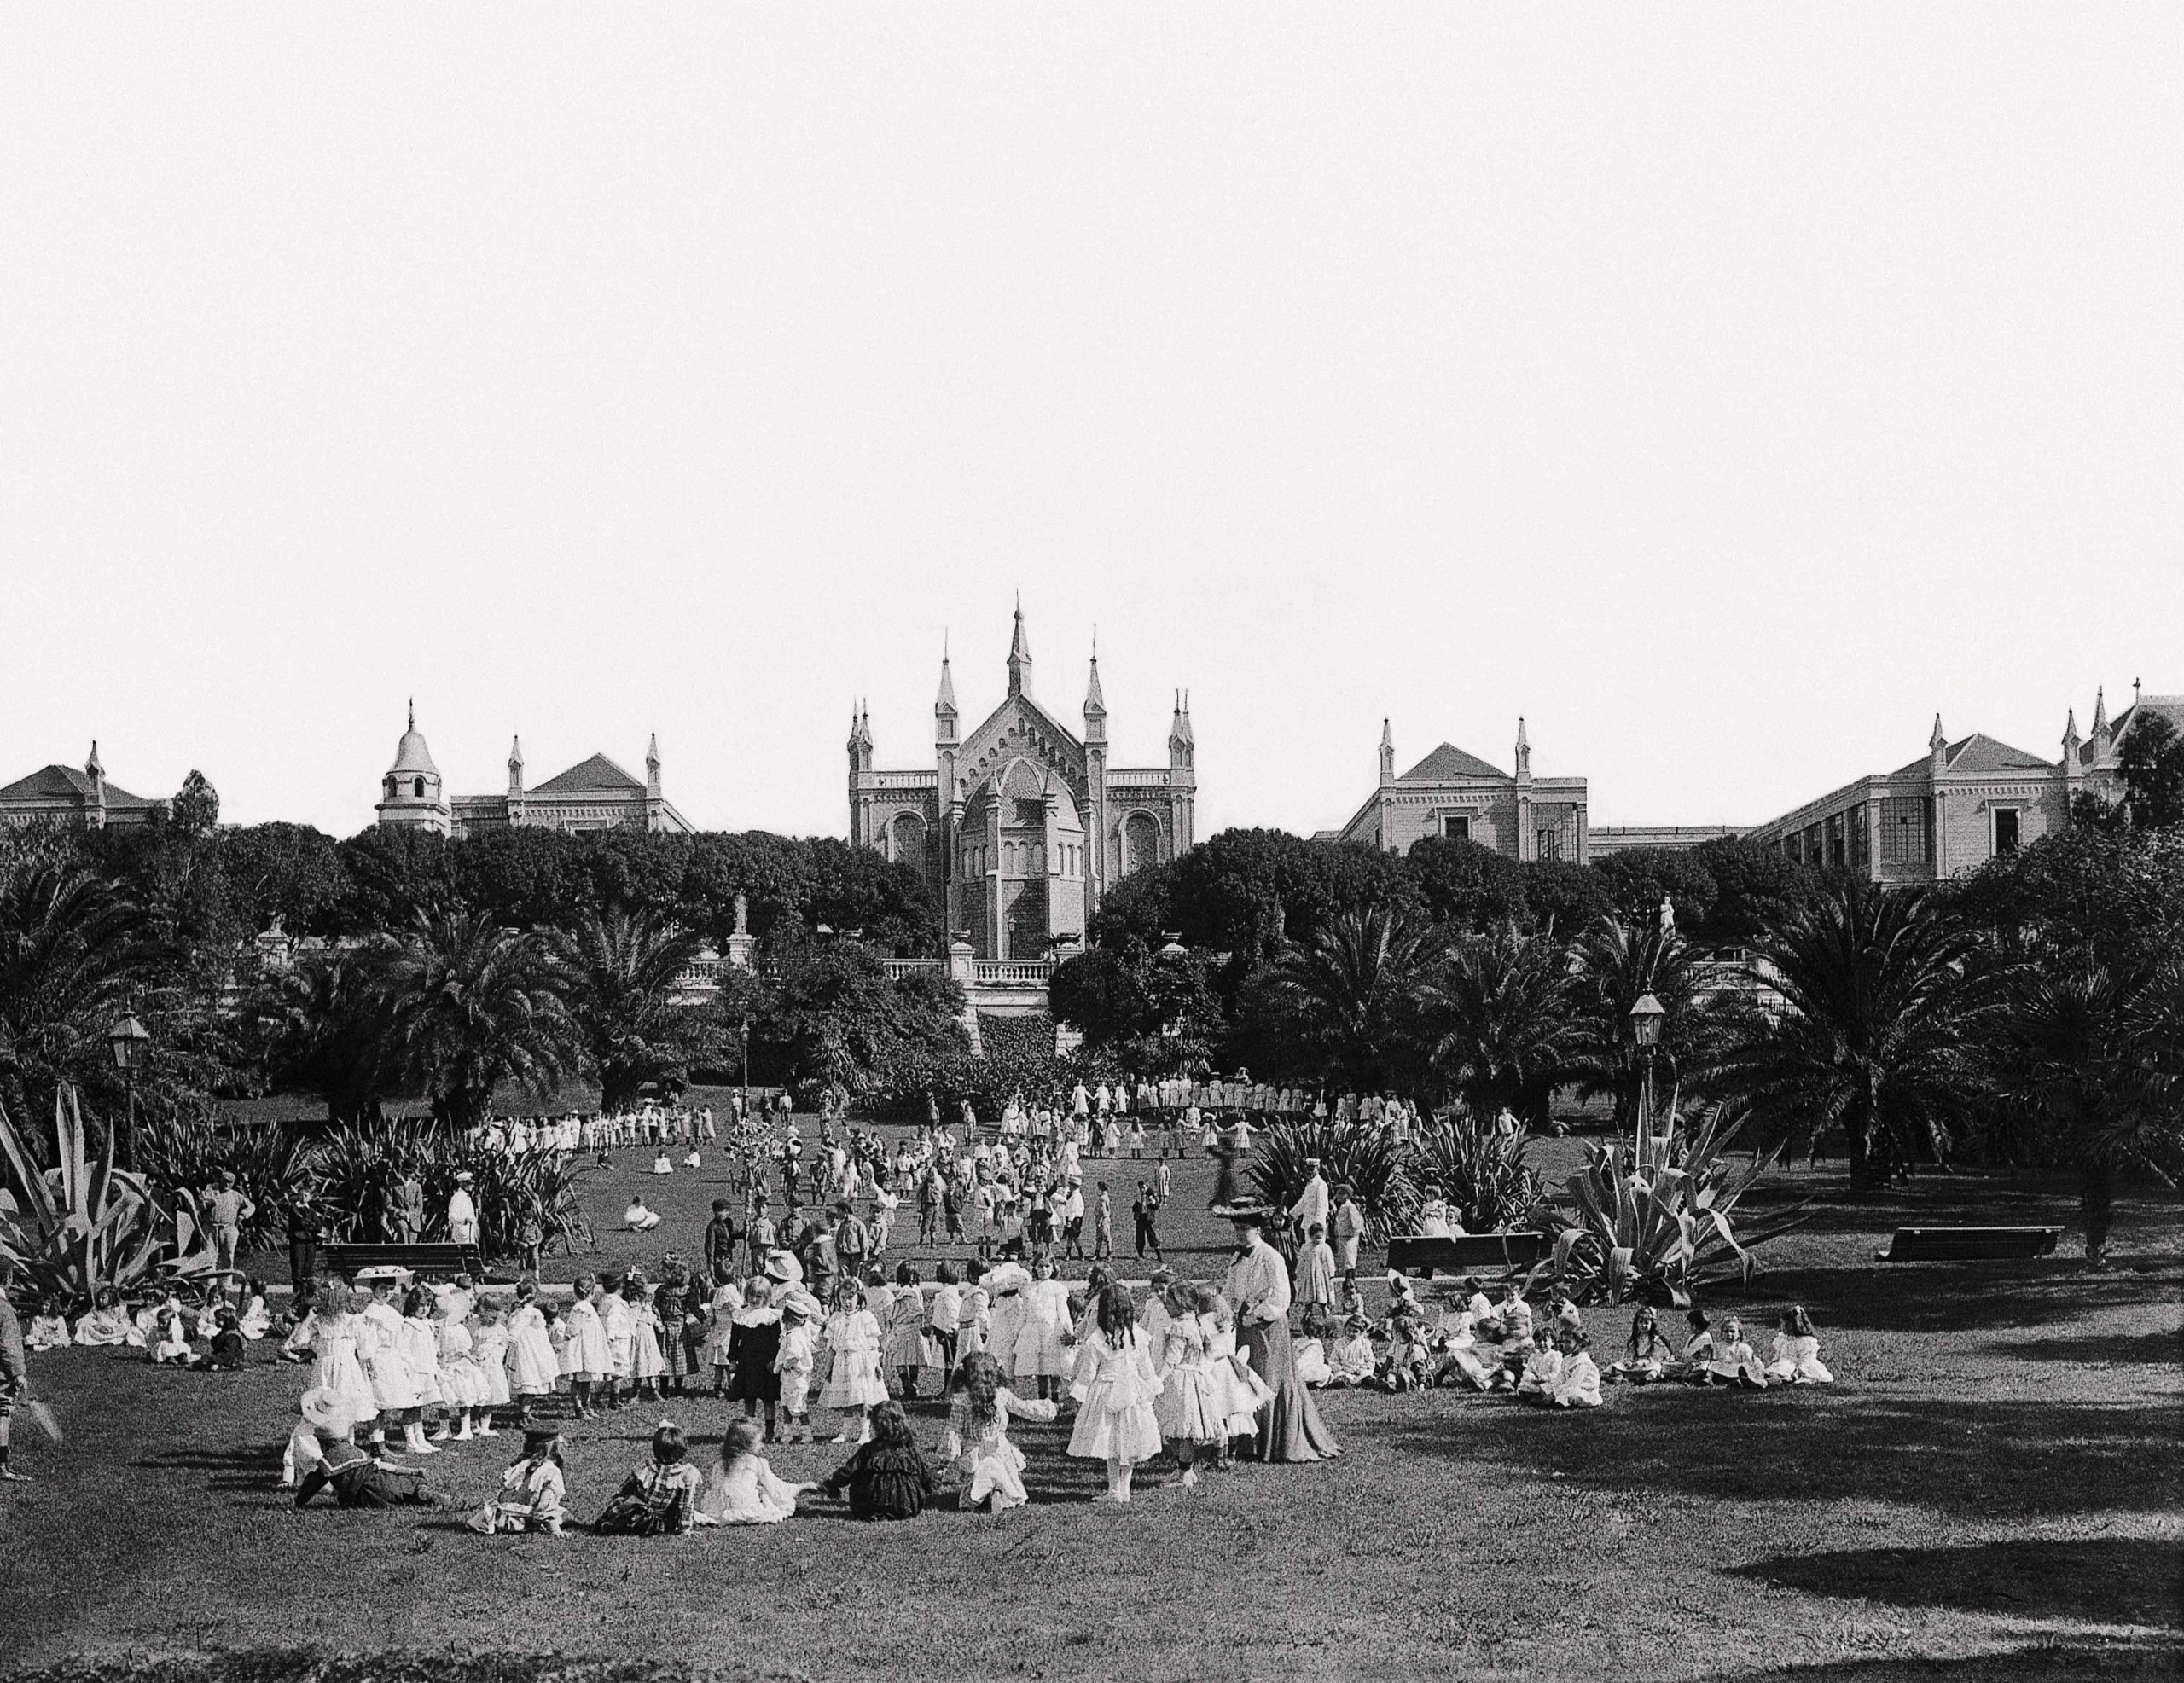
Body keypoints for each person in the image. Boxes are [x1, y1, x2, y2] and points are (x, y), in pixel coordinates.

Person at [1219, 1205, 1339, 1463]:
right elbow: (1230, 1289)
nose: (1240, 1234)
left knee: (1269, 1378)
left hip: (1268, 1328)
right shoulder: (1237, 1256)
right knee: (1246, 1378)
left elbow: (1283, 1295)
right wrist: (1229, 1312)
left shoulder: (1271, 1257)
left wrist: (1257, 1314)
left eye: (1245, 1229)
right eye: (1237, 1229)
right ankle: (1247, 1441)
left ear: (1259, 1230)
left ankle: (1274, 1442)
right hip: (1243, 1328)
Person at [1066, 1282, 1164, 1503]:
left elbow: (1088, 1374)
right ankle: (1123, 1489)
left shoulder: (1097, 1339)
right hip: (1132, 1391)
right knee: (1128, 1440)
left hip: (1106, 1391)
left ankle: (1115, 1490)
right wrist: (1152, 1387)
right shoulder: (1137, 1335)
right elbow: (1146, 1369)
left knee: (1111, 1441)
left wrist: (1078, 1393)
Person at [938, 1350, 1059, 1514]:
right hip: (1000, 1450)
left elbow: (955, 1430)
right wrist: (1049, 1409)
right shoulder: (1001, 1395)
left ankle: (985, 1495)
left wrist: (946, 1459)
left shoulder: (962, 1401)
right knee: (1005, 1478)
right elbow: (1025, 1408)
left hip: (975, 1453)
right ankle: (998, 1492)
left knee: (972, 1493)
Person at [1150, 1280, 1224, 1488]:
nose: (1166, 1306)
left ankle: (1186, 1471)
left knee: (1178, 1430)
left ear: (1181, 1304)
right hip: (1194, 1378)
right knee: (1180, 1430)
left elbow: (1172, 1360)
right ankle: (1185, 1468)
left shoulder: (1180, 1328)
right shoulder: (1198, 1325)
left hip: (1180, 1381)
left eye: (1169, 1303)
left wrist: (1157, 1381)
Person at [820, 1399, 937, 1520]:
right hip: (908, 1507)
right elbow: (927, 1478)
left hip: (870, 1507)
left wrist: (832, 1485)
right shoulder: (909, 1449)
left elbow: (848, 1472)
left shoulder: (869, 1449)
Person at [595, 1421, 705, 1535]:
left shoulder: (646, 1468)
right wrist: (685, 1529)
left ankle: (612, 1524)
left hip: (638, 1515)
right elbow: (685, 1505)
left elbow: (624, 1491)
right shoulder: (687, 1475)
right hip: (664, 1523)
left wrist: (611, 1512)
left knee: (626, 1509)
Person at [698, 1416, 811, 1525]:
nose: (762, 1445)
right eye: (759, 1441)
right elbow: (776, 1488)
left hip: (718, 1510)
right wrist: (801, 1487)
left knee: (758, 1489)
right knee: (775, 1497)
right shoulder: (756, 1462)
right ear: (746, 1444)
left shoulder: (719, 1464)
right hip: (746, 1508)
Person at [818, 1279, 888, 1442]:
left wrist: (877, 1365)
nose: (847, 1302)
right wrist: (828, 1368)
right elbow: (832, 1348)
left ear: (859, 1297)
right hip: (843, 1363)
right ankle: (845, 1432)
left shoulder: (865, 1317)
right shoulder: (836, 1318)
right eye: (843, 1298)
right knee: (847, 1399)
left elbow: (873, 1346)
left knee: (863, 1398)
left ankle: (865, 1432)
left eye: (851, 1297)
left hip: (861, 1363)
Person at [472, 1425, 568, 1535]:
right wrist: (555, 1530)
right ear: (556, 1448)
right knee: (562, 1515)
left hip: (500, 1516)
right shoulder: (552, 1471)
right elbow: (545, 1506)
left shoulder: (522, 1464)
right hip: (520, 1520)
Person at [774, 1289, 821, 1443]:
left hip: (796, 1375)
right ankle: (788, 1433)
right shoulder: (791, 1334)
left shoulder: (795, 1336)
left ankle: (806, 1434)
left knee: (799, 1406)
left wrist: (785, 1365)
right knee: (786, 1404)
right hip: (789, 1378)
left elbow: (794, 1355)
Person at [204, 1169, 257, 1279]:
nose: (227, 1184)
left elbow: (251, 1207)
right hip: (211, 1228)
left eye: (230, 1182)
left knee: (228, 1256)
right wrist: (209, 1203)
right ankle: (210, 1285)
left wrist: (242, 1215)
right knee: (209, 1256)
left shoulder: (236, 1196)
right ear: (220, 1180)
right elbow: (200, 1206)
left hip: (228, 1228)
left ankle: (226, 1284)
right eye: (225, 1181)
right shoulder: (211, 1192)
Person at [1765, 1306, 1835, 1384]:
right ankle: (1763, 1379)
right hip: (1783, 1363)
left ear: (1794, 1326)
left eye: (1785, 1325)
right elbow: (1779, 1354)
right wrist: (1773, 1362)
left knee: (1783, 1373)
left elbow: (1807, 1359)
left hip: (1797, 1366)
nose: (1782, 1327)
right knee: (1773, 1371)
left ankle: (1769, 1382)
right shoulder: (1784, 1339)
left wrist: (1797, 1372)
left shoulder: (1805, 1341)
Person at [1610, 1307, 1674, 1384]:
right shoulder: (1634, 1339)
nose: (1643, 1325)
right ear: (1636, 1324)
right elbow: (1630, 1353)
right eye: (1640, 1322)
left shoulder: (1656, 1340)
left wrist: (1646, 1361)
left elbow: (1661, 1356)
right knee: (1618, 1364)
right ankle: (1619, 1377)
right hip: (1635, 1365)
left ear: (1652, 1324)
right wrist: (1629, 1361)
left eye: (1646, 1323)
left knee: (1657, 1367)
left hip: (1648, 1365)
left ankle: (1646, 1379)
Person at [1706, 1317, 1769, 1389]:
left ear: (1739, 1334)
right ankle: (1730, 1382)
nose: (1729, 1334)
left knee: (1747, 1367)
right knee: (1713, 1365)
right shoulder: (1717, 1346)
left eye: (1732, 1331)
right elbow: (1715, 1360)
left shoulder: (1743, 1347)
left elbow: (1748, 1363)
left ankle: (1743, 1381)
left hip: (1737, 1369)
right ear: (1722, 1334)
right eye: (1726, 1331)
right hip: (1723, 1370)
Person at [1552, 1330, 1603, 1407]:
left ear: (1579, 1343)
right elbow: (1560, 1377)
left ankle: (1561, 1401)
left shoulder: (1583, 1362)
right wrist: (1555, 1388)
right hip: (1568, 1386)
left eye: (1568, 1342)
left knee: (1572, 1392)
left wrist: (1558, 1390)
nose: (1565, 1345)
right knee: (1549, 1386)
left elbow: (1574, 1382)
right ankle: (1557, 1398)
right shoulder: (1567, 1359)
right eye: (1564, 1341)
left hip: (1585, 1390)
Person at [1294, 1222, 1336, 1312]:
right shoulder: (1306, 1247)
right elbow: (1301, 1260)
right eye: (1315, 1237)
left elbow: (1330, 1263)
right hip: (1309, 1276)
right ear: (1310, 1236)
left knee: (1323, 1300)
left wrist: (1331, 1275)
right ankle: (1307, 1319)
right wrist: (1298, 1271)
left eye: (1319, 1237)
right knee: (1308, 1301)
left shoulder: (1325, 1248)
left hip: (1321, 1277)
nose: (1317, 1239)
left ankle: (1326, 1317)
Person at [703, 1201, 740, 1285]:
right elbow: (710, 1246)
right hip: (718, 1257)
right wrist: (711, 1262)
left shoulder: (729, 1223)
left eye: (727, 1211)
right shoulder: (713, 1227)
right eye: (724, 1211)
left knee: (728, 1275)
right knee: (719, 1277)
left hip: (728, 1255)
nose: (727, 1213)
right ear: (716, 1212)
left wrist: (744, 1231)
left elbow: (735, 1234)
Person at [447, 1170, 479, 1246]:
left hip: (469, 1236)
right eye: (467, 1183)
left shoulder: (467, 1197)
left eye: (470, 1183)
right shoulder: (457, 1197)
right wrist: (464, 1220)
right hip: (461, 1236)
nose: (470, 1185)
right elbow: (452, 1217)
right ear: (461, 1184)